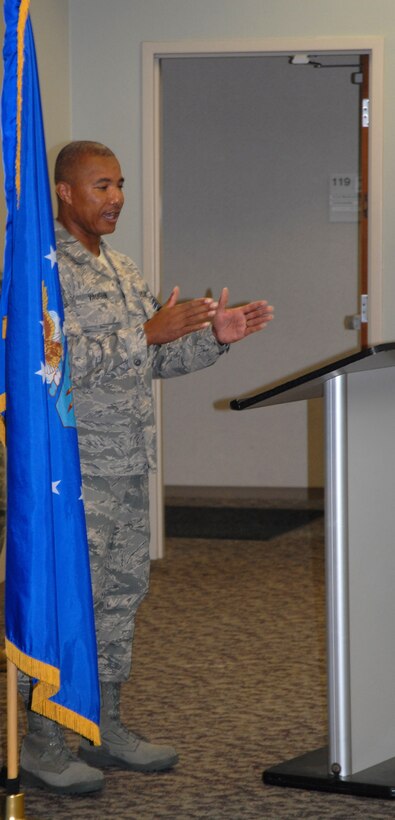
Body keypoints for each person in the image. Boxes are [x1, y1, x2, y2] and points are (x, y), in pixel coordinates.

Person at [19, 141, 274, 795]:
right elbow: (44, 363)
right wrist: (147, 333)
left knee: (118, 602)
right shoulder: (38, 269)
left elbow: (153, 358)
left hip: (127, 465)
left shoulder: (123, 268)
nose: (117, 198)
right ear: (65, 192)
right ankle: (40, 745)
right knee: (64, 605)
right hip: (70, 473)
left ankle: (103, 728)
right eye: (101, 186)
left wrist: (210, 342)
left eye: (121, 184)